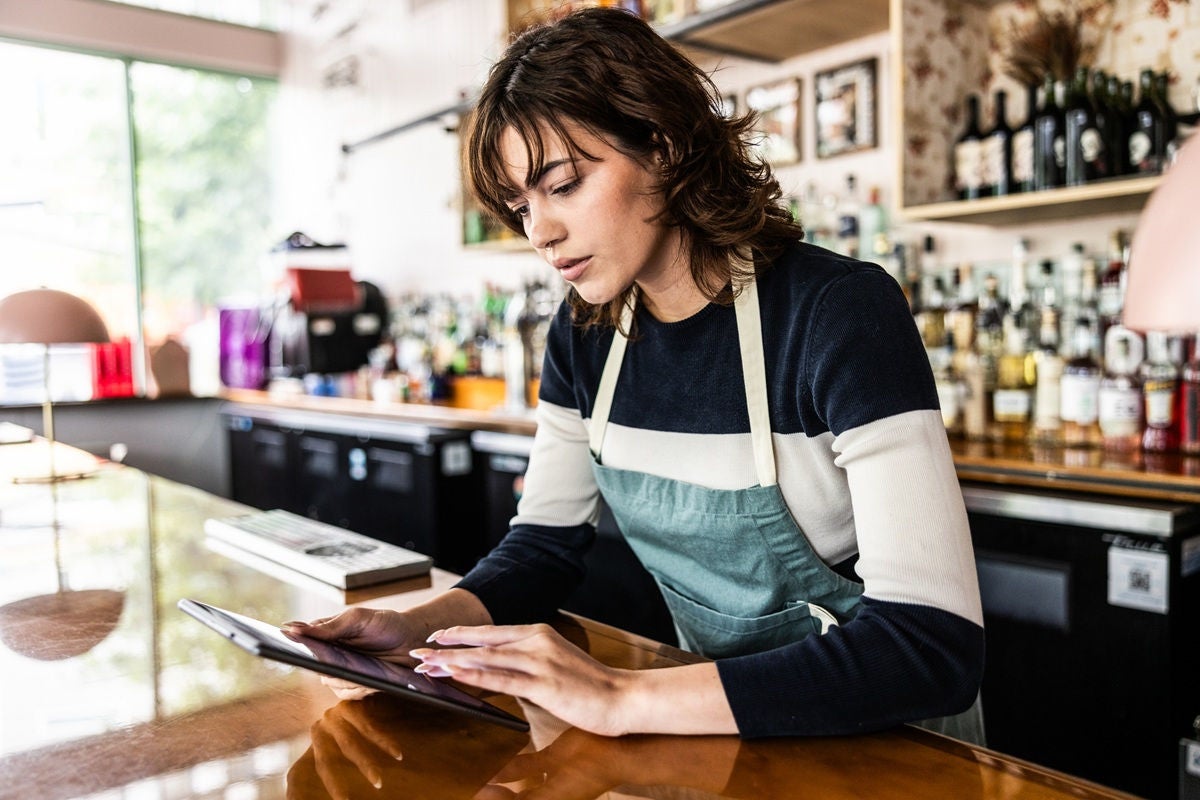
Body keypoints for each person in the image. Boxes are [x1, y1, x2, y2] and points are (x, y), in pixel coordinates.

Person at [285, 5, 985, 742]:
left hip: (894, 751)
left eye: (564, 184)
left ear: (666, 144)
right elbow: (542, 549)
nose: (540, 233)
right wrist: (419, 626)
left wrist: (619, 699)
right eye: (520, 205)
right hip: (726, 740)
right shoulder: (585, 333)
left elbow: (930, 648)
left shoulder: (837, 313)